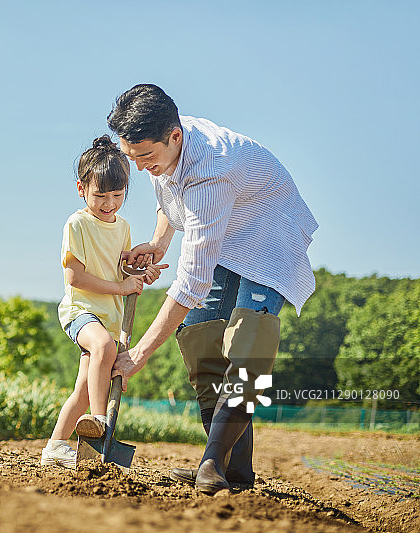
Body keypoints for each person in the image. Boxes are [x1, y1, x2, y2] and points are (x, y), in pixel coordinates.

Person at [107, 84, 318, 494]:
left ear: (175, 136)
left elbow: (191, 282)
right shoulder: (161, 142)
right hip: (226, 230)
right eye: (133, 157)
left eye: (146, 157)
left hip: (269, 234)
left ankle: (211, 463)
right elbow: (170, 193)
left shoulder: (212, 171)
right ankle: (234, 470)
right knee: (200, 342)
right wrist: (159, 242)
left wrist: (138, 354)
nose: (141, 167)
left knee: (249, 346)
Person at [40, 135, 164, 469]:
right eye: (100, 195)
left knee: (84, 389)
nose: (109, 203)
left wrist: (142, 272)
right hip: (81, 310)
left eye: (117, 195)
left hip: (109, 316)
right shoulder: (77, 223)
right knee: (104, 346)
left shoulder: (122, 227)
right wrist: (120, 288)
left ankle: (55, 446)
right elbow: (75, 278)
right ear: (81, 188)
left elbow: (121, 269)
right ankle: (99, 423)